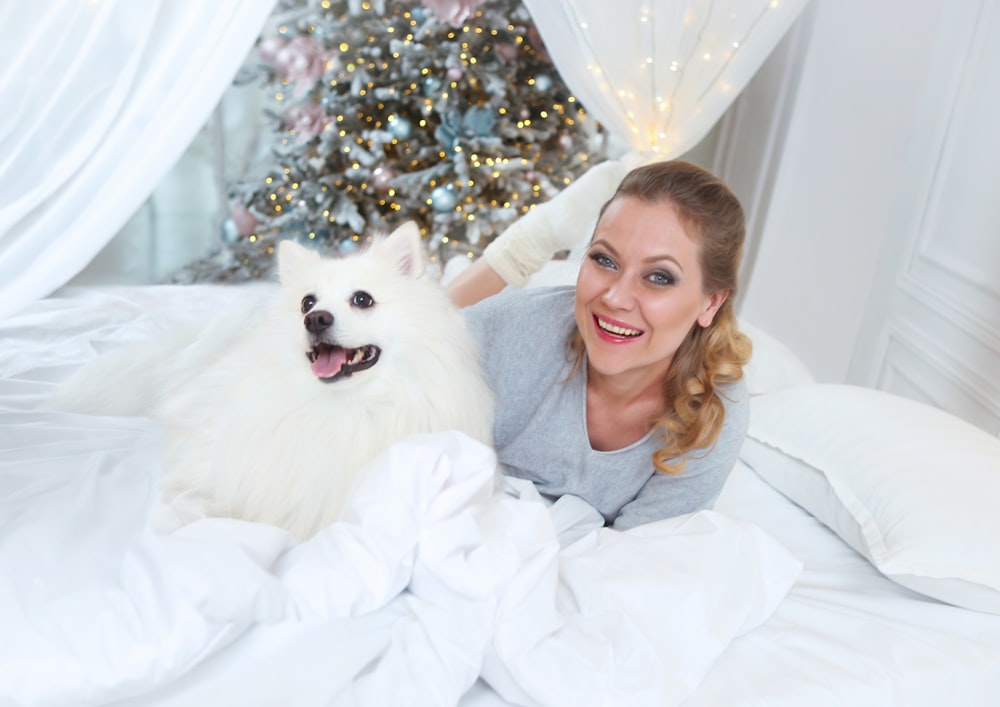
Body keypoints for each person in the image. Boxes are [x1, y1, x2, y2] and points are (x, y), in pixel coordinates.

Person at [450, 159, 751, 530]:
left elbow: (636, 558)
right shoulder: (516, 327)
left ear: (711, 302)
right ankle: (532, 240)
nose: (616, 296)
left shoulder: (714, 411)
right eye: (604, 259)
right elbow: (403, 349)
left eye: (659, 277)